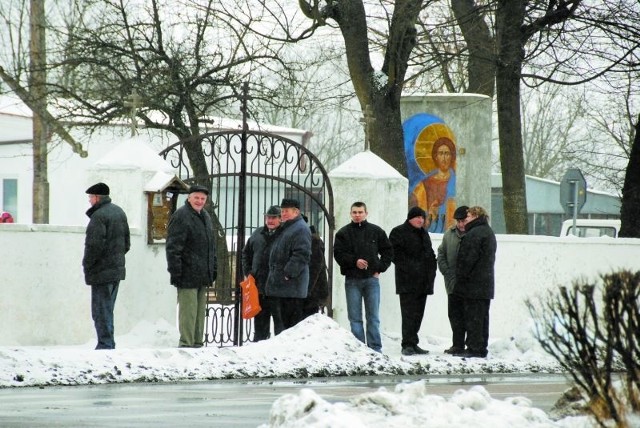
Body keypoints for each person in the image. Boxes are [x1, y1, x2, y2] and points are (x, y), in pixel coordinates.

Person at [333, 201, 393, 353]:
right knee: (355, 318)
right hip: (352, 280)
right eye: (354, 212)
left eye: (360, 212)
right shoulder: (343, 233)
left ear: (366, 213)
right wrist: (355, 261)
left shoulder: (376, 231)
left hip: (371, 280)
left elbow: (388, 251)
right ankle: (359, 349)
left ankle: (375, 348)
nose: (357, 215)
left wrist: (379, 268)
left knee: (373, 317)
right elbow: (339, 255)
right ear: (350, 214)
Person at [166, 184, 217, 348]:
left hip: (202, 273)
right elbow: (173, 248)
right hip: (186, 273)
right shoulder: (181, 216)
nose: (200, 201)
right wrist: (176, 272)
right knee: (188, 312)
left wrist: (213, 268)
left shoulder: (206, 217)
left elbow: (211, 246)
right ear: (189, 198)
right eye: (196, 197)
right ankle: (186, 344)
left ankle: (197, 343)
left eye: (203, 199)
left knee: (199, 312)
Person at [82, 182, 130, 350]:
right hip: (116, 270)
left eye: (90, 197)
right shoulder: (119, 212)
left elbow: (93, 246)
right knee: (108, 309)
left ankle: (105, 344)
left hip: (101, 271)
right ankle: (109, 342)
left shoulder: (99, 216)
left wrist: (87, 266)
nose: (89, 200)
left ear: (97, 197)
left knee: (100, 311)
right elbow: (127, 244)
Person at [389, 207, 437, 356]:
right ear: (410, 218)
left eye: (423, 218)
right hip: (407, 281)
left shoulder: (424, 233)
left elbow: (429, 253)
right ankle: (407, 344)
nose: (421, 220)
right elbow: (395, 255)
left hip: (424, 281)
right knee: (409, 314)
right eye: (418, 217)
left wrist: (432, 268)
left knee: (418, 314)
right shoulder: (398, 232)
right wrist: (412, 268)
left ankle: (414, 342)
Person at [454, 206, 497, 358]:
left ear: (475, 216)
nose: (466, 219)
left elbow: (467, 260)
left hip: (473, 284)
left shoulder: (474, 233)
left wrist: (460, 276)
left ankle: (473, 348)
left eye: (469, 216)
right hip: (485, 283)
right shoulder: (487, 231)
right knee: (482, 317)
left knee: (473, 318)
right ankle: (481, 347)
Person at [265, 198, 311, 335]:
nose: (283, 214)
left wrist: (288, 274)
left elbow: (302, 254)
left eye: (286, 211)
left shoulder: (300, 229)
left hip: (290, 287)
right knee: (281, 327)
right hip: (283, 287)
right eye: (282, 211)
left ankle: (287, 354)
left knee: (289, 328)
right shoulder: (288, 227)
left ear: (296, 212)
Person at [242, 205, 282, 341]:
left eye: (274, 218)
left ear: (280, 219)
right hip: (259, 286)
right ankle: (258, 345)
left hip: (277, 287)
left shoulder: (284, 234)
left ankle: (280, 349)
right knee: (260, 323)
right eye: (268, 217)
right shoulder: (257, 233)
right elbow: (246, 253)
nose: (270, 220)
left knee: (280, 324)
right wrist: (248, 272)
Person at [437, 205, 469, 355]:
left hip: (468, 284)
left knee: (469, 316)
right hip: (451, 284)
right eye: (459, 221)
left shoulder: (473, 234)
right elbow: (441, 253)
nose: (461, 224)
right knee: (454, 315)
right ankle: (457, 344)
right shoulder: (449, 234)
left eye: (464, 221)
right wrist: (446, 272)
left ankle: (471, 344)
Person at [410, 137, 457, 233]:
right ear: (435, 156)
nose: (444, 158)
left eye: (447, 154)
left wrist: (441, 210)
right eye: (441, 154)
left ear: (452, 156)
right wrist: (431, 215)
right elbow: (418, 215)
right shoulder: (424, 184)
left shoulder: (457, 182)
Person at [301, 220, 329, 319]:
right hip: (310, 292)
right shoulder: (311, 239)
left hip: (310, 293)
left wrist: (307, 291)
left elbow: (315, 269)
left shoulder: (312, 241)